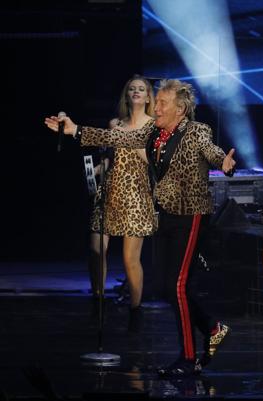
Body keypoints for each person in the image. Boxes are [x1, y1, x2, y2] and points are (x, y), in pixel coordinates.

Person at [45, 79, 236, 378]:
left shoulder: (197, 131)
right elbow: (118, 137)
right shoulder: (153, 132)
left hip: (190, 214)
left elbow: (211, 151)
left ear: (180, 109)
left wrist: (224, 163)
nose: (155, 107)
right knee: (165, 286)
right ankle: (212, 328)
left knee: (178, 286)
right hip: (166, 214)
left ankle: (188, 359)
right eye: (156, 102)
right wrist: (76, 130)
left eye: (162, 103)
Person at [88, 75, 156, 332]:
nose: (136, 92)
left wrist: (129, 140)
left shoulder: (154, 126)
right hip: (110, 192)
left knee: (130, 259)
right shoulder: (115, 124)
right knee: (96, 251)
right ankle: (98, 302)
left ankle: (135, 311)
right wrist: (96, 169)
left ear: (148, 97)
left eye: (141, 89)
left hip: (136, 195)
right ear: (126, 95)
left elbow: (153, 162)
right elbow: (111, 158)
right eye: (132, 89)